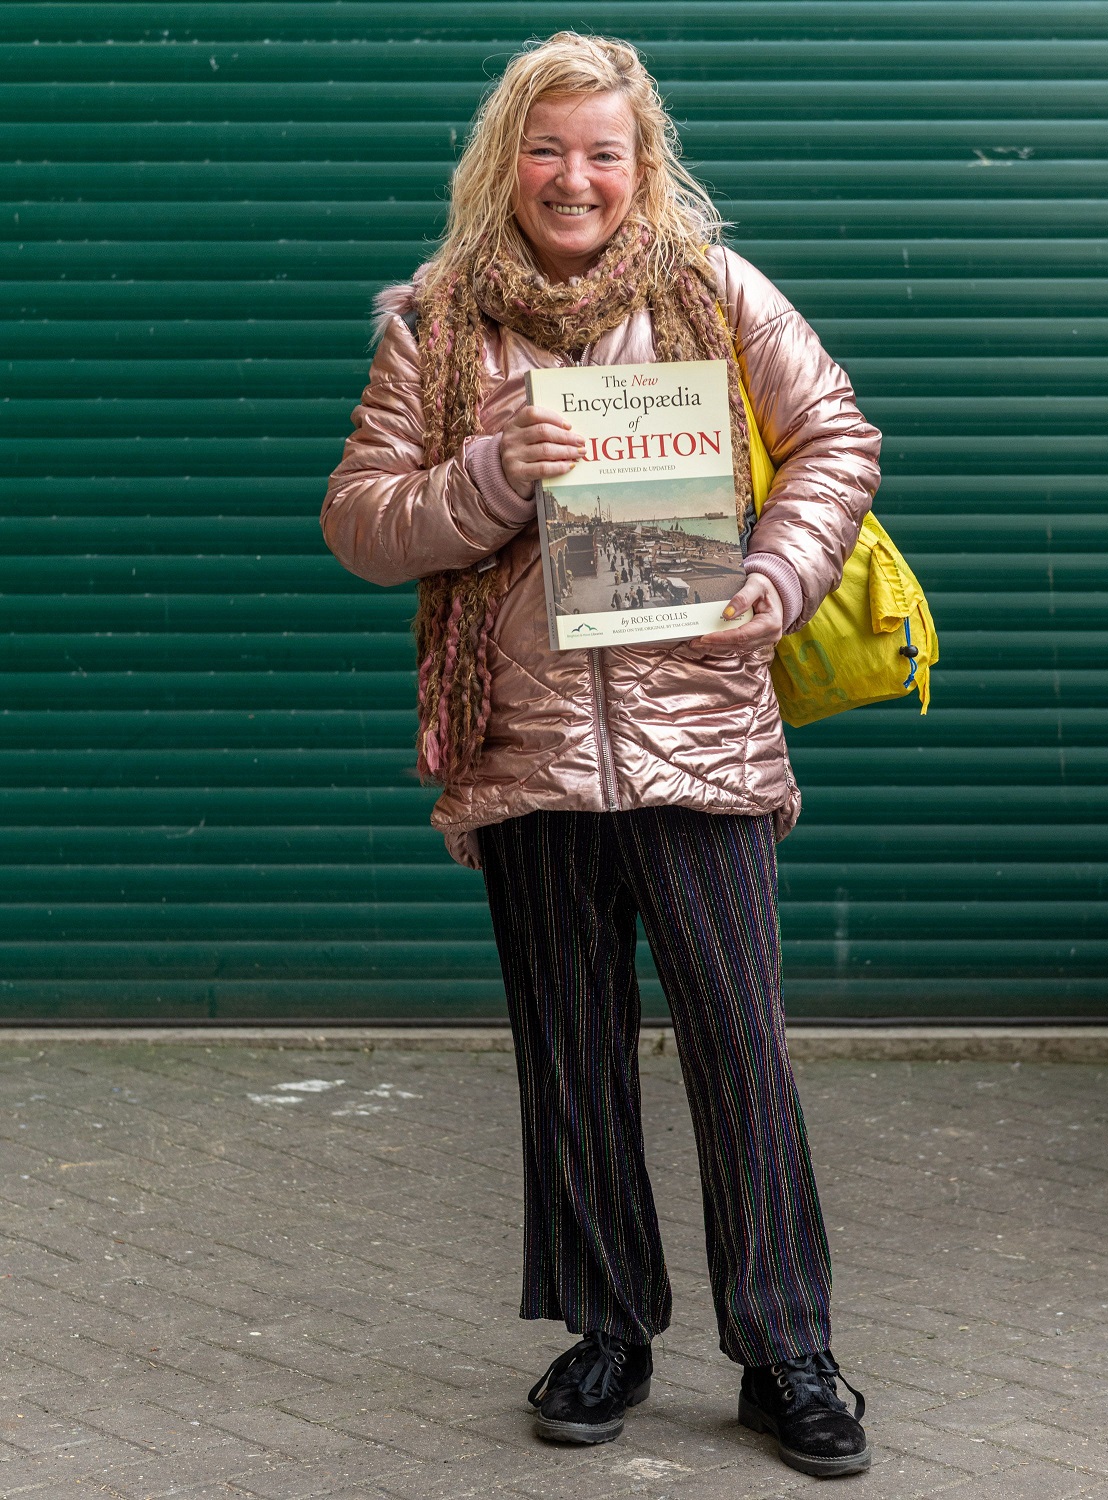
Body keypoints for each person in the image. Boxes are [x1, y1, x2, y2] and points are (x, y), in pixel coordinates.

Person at [321, 32, 880, 1480]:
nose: (577, 178)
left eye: (605, 151)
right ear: (507, 159)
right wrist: (491, 472)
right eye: (550, 148)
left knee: (743, 1053)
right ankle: (607, 1330)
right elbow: (365, 521)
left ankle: (790, 1353)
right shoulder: (435, 326)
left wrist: (783, 563)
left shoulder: (712, 289)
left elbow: (832, 435)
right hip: (526, 761)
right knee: (569, 1061)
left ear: (644, 165)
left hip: (702, 743)